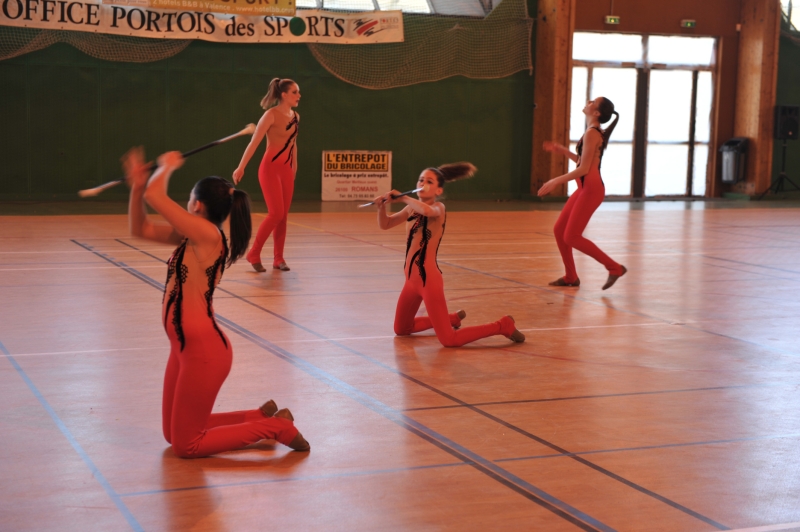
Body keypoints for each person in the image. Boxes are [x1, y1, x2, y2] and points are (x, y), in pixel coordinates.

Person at [124, 146, 309, 458]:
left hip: (204, 352)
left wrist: (166, 167)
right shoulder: (191, 237)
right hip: (183, 348)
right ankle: (260, 417)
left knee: (187, 444)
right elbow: (139, 228)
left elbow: (157, 198)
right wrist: (138, 188)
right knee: (173, 433)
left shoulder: (208, 235)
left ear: (197, 205)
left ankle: (278, 429)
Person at [374, 163, 525, 348]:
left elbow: (427, 211)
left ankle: (503, 325)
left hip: (429, 280)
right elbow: (385, 225)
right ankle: (450, 319)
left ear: (438, 190)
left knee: (449, 340)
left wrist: (404, 198)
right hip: (411, 281)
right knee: (401, 329)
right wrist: (381, 208)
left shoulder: (439, 207)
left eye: (429, 181)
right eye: (421, 179)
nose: (423, 183)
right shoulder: (411, 209)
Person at [539, 96, 627, 290]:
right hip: (583, 189)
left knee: (571, 236)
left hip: (591, 190)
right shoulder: (591, 132)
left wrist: (555, 181)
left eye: (592, 102)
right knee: (559, 231)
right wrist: (563, 151)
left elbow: (584, 169)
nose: (588, 101)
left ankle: (615, 268)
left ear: (596, 113)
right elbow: (583, 161)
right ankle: (570, 276)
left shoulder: (592, 133)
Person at [233, 78, 301, 273]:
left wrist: (294, 167)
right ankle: (254, 252)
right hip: (270, 169)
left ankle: (278, 258)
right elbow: (254, 142)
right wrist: (241, 167)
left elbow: (293, 143)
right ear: (284, 95)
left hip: (287, 171)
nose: (299, 96)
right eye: (295, 92)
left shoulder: (296, 116)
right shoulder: (270, 115)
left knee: (283, 217)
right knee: (275, 213)